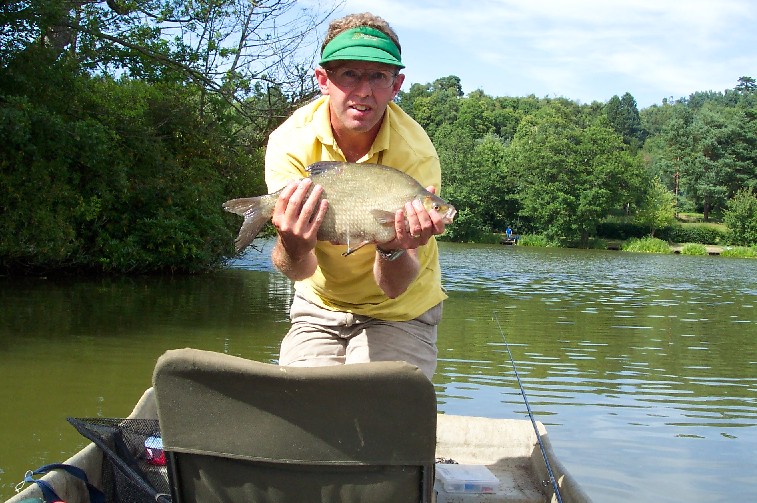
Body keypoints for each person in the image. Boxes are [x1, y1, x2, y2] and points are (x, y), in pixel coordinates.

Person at [263, 12, 448, 379]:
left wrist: (391, 245)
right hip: (319, 305)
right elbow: (297, 268)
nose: (364, 92)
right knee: (303, 410)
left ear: (396, 86)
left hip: (400, 311)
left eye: (378, 76)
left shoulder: (417, 154)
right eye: (350, 74)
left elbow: (394, 286)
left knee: (376, 409)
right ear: (323, 80)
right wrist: (292, 241)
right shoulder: (290, 143)